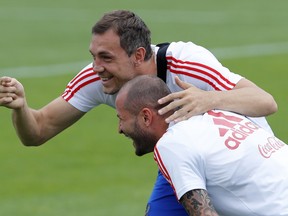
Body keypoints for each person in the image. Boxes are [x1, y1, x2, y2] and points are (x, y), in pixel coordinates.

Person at [0, 10, 278, 216]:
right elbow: (37, 131)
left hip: (240, 166)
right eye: (93, 56)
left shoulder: (186, 62)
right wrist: (21, 108)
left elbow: (265, 101)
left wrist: (208, 99)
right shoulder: (99, 79)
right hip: (180, 164)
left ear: (138, 54)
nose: (96, 67)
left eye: (106, 57)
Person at [115, 75, 288, 216]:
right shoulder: (219, 112)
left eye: (122, 119)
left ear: (146, 117)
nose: (119, 129)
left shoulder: (171, 144)